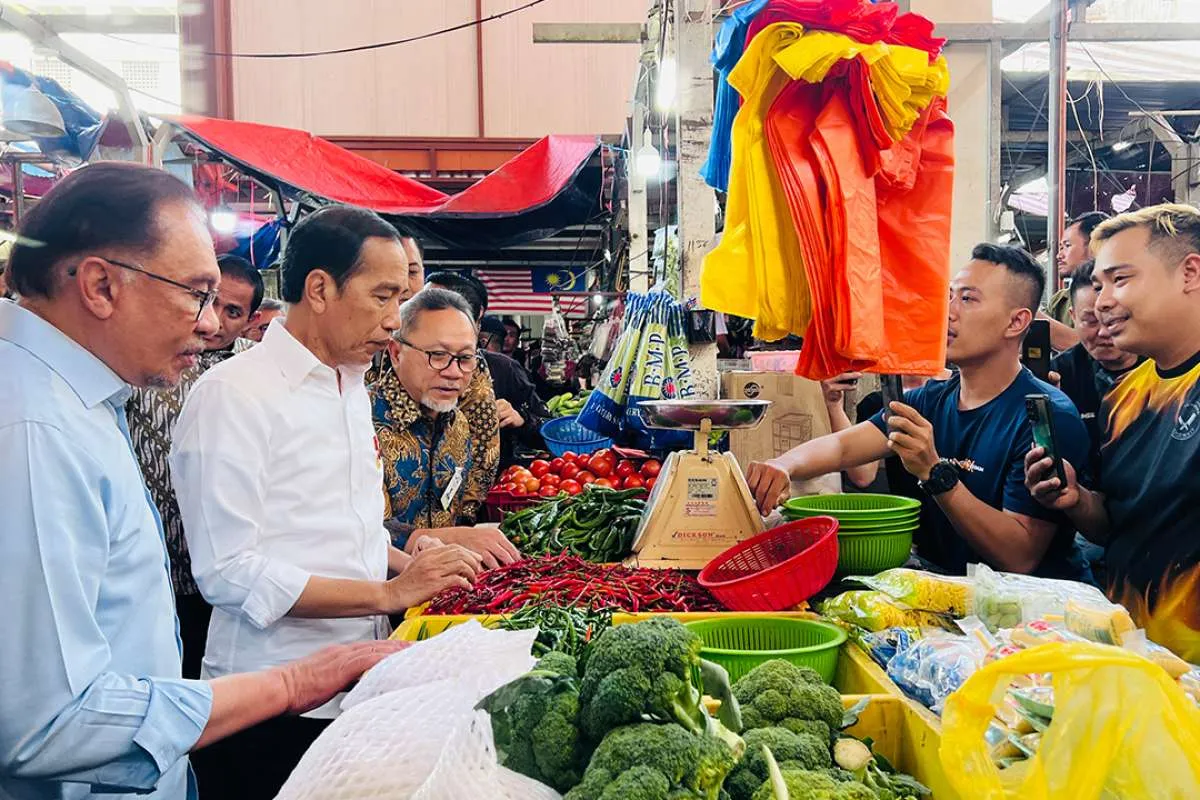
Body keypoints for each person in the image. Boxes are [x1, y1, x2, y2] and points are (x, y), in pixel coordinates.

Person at [0, 162, 405, 800]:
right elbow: (46, 723)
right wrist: (293, 684)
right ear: (101, 286)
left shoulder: (78, 402)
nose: (214, 324)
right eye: (196, 293)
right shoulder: (32, 430)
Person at [170, 205, 482, 797]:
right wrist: (391, 593)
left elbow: (353, 530)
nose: (395, 320)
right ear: (319, 288)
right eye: (383, 296)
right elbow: (230, 573)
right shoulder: (234, 397)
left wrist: (413, 564)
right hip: (268, 705)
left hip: (358, 688)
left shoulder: (349, 385)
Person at [746, 244, 1092, 580]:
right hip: (951, 598)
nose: (948, 311)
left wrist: (934, 472)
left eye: (968, 299)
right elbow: (844, 447)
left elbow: (1019, 555)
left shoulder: (1045, 415)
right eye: (950, 296)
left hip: (1033, 622)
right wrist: (783, 465)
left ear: (1016, 322)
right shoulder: (932, 399)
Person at [1026, 203, 1200, 661]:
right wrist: (1076, 498)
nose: (1102, 302)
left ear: (1190, 273)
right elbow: (1119, 527)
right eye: (1099, 285)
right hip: (1135, 662)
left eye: (1121, 280)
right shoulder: (1124, 398)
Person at [126, 253, 266, 680]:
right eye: (211, 301)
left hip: (230, 559)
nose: (217, 320)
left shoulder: (255, 371)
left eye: (234, 312)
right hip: (157, 553)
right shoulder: (157, 357)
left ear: (250, 320)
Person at [371, 288, 520, 568]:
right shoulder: (360, 420)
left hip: (438, 598)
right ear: (395, 352)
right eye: (437, 355)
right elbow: (344, 531)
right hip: (369, 599)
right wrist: (452, 537)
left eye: (465, 359)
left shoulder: (459, 425)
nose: (453, 372)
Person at [436, 276, 549, 467]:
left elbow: (548, 430)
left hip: (493, 490)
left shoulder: (503, 369)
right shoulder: (410, 367)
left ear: (476, 321)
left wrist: (522, 420)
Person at [1049, 258, 1142, 478]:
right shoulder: (1057, 376)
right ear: (1072, 317)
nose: (1103, 332)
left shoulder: (1163, 367)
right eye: (1090, 321)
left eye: (1113, 319)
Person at [850, 373, 950, 497]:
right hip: (907, 508)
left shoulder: (954, 392)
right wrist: (835, 405)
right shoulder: (877, 402)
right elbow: (863, 476)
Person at [1043, 211, 1109, 351]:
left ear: (1094, 246)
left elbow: (1090, 347)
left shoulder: (1117, 296)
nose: (1059, 255)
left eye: (1067, 246)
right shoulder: (1060, 301)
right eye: (1060, 247)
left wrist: (1030, 313)